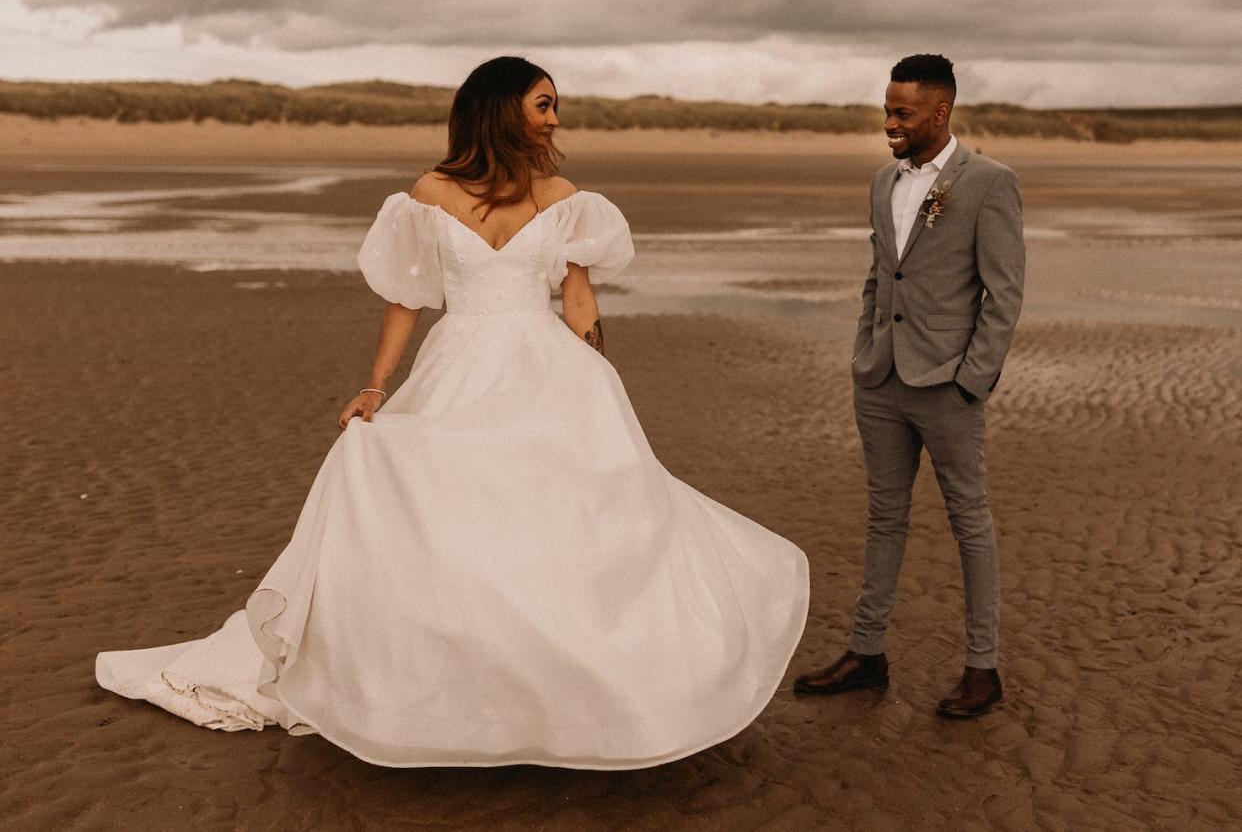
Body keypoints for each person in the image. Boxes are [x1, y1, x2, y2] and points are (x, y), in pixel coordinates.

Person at [96, 56, 809, 769]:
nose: (556, 119)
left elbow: (579, 300)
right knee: (440, 510)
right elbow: (406, 299)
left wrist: (601, 378)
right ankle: (443, 689)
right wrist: (375, 389)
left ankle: (577, 687)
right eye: (543, 105)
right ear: (501, 109)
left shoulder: (564, 195)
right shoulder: (428, 194)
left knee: (574, 523)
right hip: (459, 365)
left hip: (549, 370)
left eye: (555, 105)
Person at [794, 54, 1024, 718]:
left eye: (903, 113)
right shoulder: (881, 182)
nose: (889, 123)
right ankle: (867, 653)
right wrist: (865, 348)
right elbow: (880, 273)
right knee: (884, 517)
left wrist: (970, 383)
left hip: (947, 387)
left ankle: (983, 669)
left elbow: (1003, 297)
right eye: (887, 111)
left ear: (941, 112)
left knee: (969, 523)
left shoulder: (989, 183)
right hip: (881, 380)